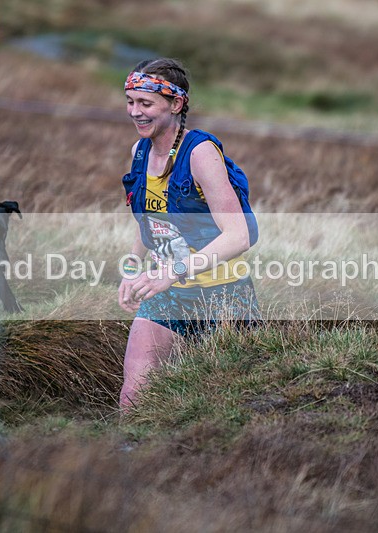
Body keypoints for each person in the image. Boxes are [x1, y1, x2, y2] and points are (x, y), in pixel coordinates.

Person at [118, 58, 259, 410]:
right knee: (134, 395)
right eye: (131, 101)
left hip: (224, 298)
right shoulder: (139, 152)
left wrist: (174, 271)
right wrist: (133, 266)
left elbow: (238, 235)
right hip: (167, 296)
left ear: (176, 104)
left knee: (228, 406)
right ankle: (130, 458)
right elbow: (150, 222)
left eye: (146, 103)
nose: (135, 112)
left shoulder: (200, 153)